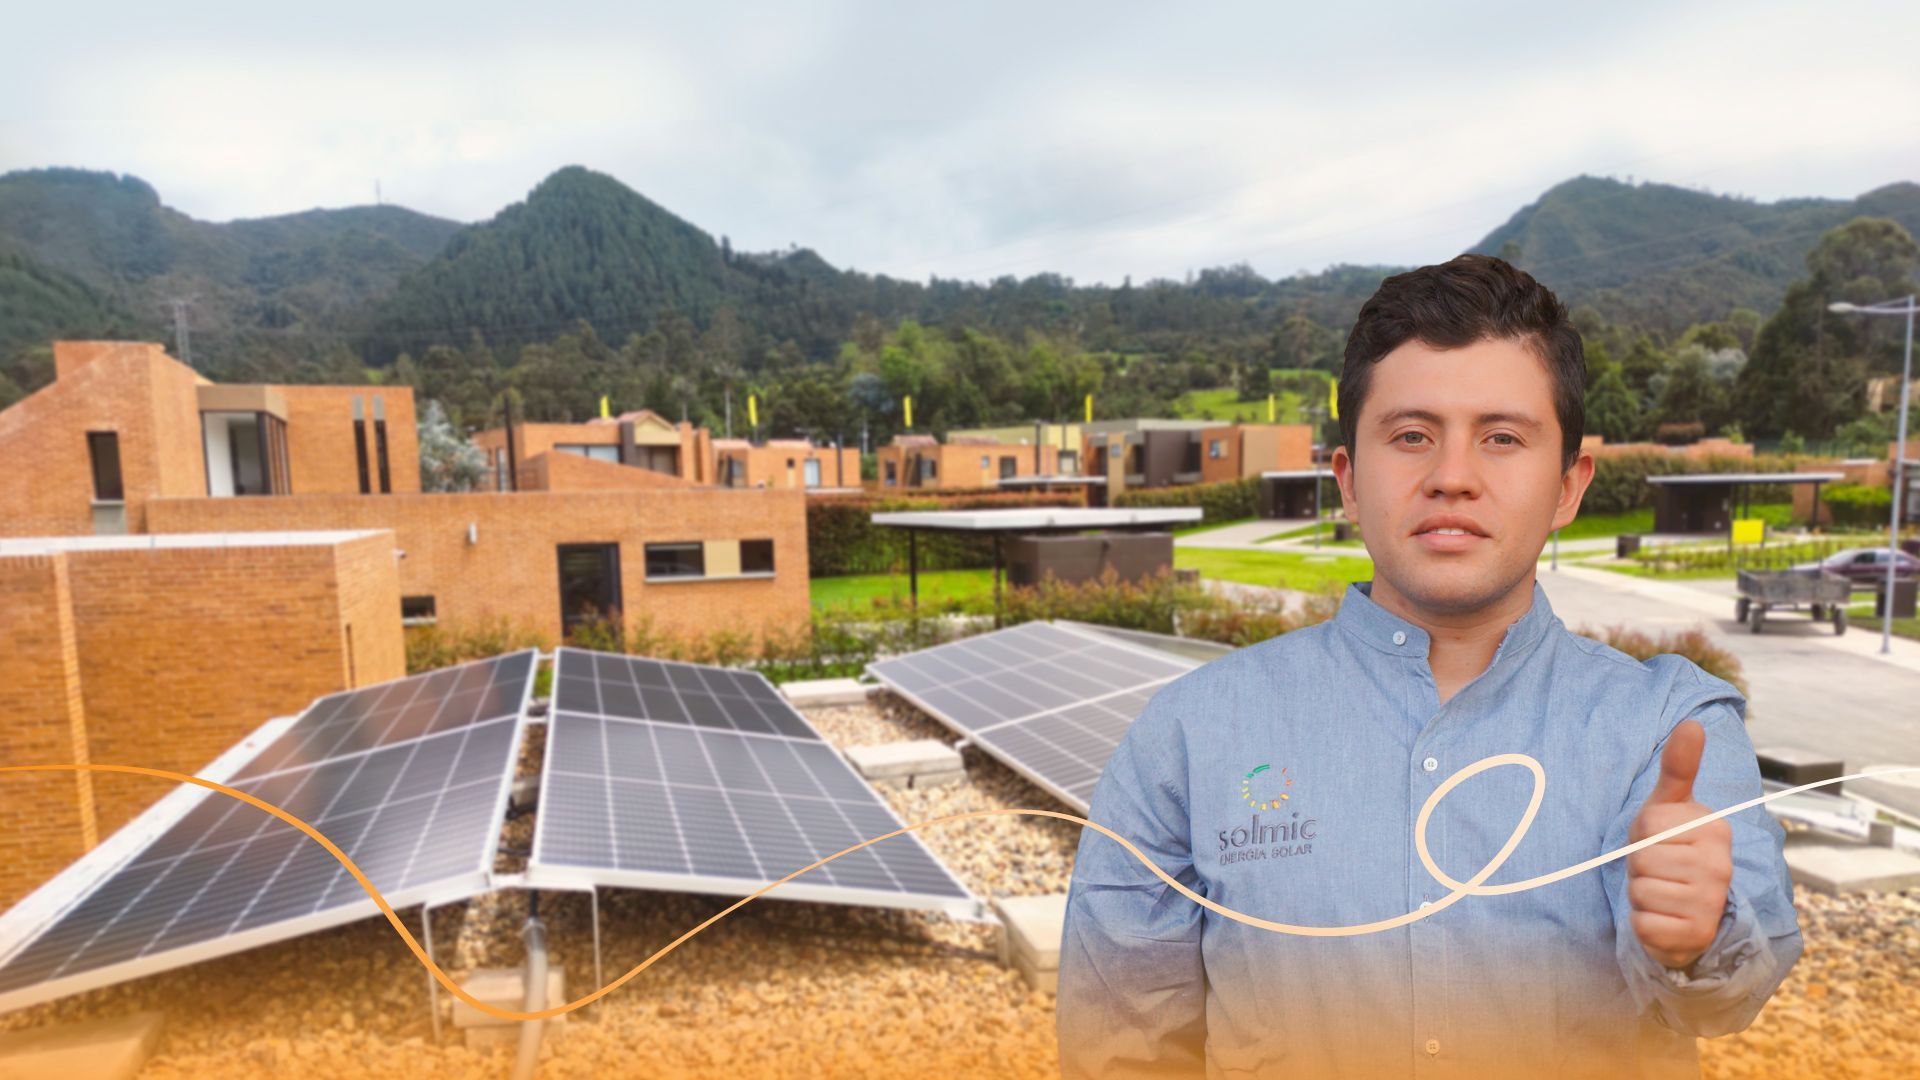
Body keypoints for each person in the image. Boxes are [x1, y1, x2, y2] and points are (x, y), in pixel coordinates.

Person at [1054, 254, 1802, 1079]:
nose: (1453, 478)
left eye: (1503, 438)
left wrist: (1696, 937)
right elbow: (1118, 1049)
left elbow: (1729, 998)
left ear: (1567, 486)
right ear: (1347, 480)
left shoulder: (1670, 730)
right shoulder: (1190, 736)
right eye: (1411, 436)